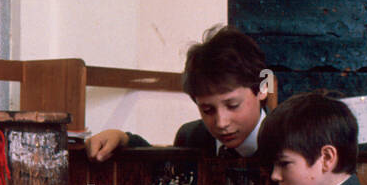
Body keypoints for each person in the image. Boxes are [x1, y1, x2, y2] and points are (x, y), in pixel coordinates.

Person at [86, 25, 269, 160]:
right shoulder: (191, 136)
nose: (221, 123)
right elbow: (163, 165)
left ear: (262, 88)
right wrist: (123, 139)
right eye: (207, 110)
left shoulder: (287, 141)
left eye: (232, 105)